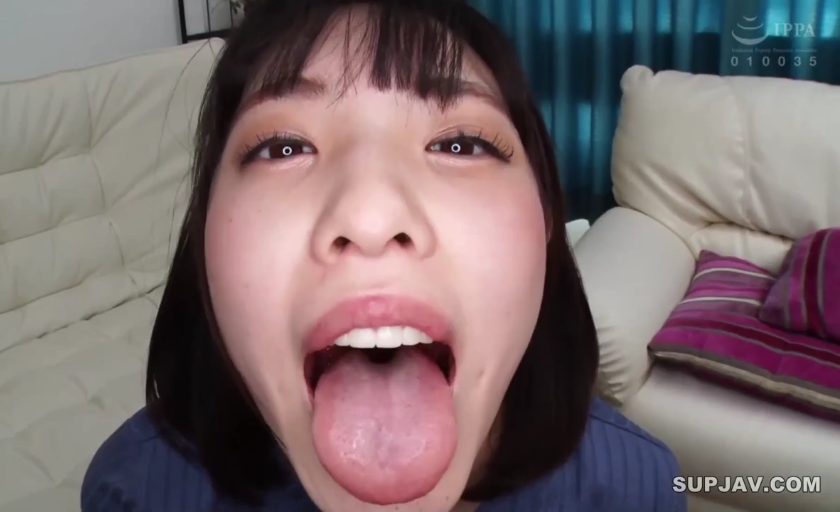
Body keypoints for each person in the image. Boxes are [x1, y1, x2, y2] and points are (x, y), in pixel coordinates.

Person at [81, 0, 686, 510]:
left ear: (547, 220)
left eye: (460, 143)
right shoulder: (134, 490)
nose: (370, 216)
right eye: (284, 147)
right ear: (205, 232)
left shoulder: (637, 489)